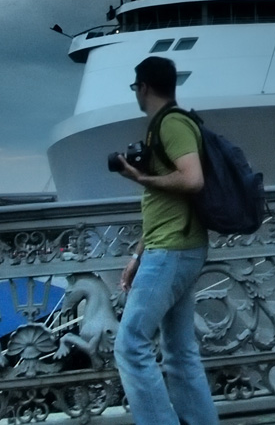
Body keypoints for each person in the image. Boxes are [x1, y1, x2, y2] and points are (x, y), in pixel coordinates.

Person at [112, 56, 219, 425]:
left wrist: (139, 178)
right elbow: (166, 204)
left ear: (143, 87)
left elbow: (192, 181)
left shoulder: (171, 125)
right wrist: (138, 255)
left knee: (130, 346)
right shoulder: (167, 124)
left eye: (135, 88)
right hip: (174, 247)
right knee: (178, 351)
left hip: (172, 250)